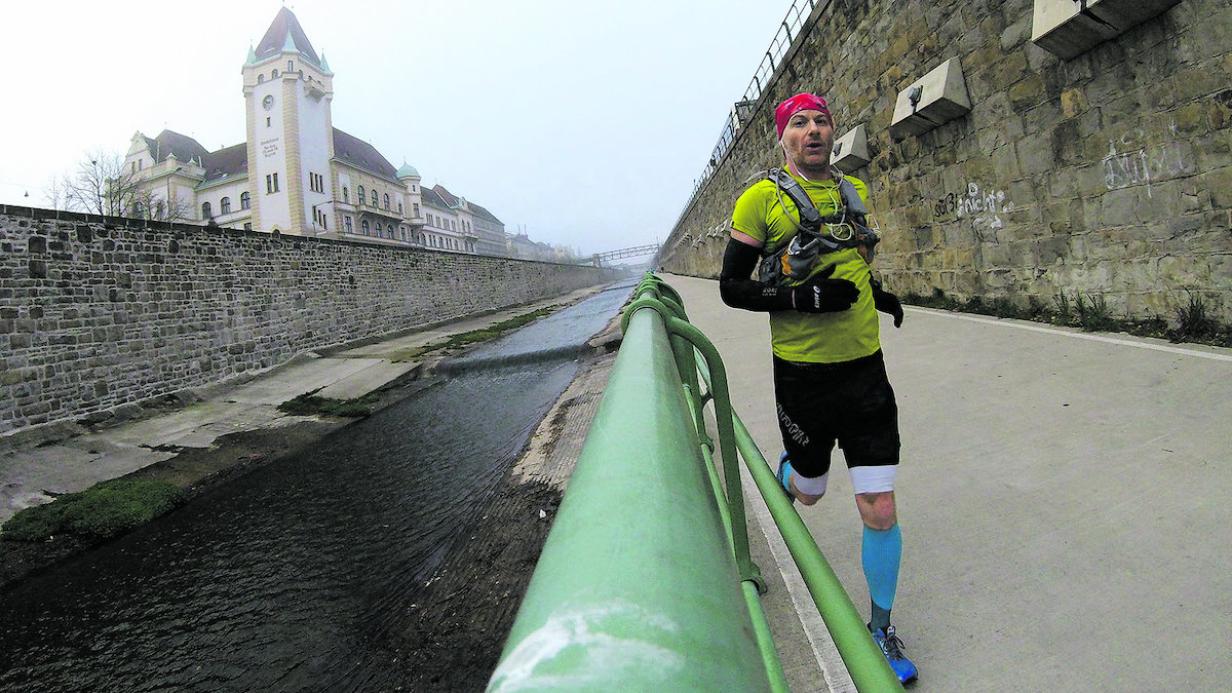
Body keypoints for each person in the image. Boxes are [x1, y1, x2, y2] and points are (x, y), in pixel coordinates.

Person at [717, 92, 916, 684]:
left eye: (821, 121)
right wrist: (800, 298)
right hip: (802, 376)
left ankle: (880, 628)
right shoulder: (761, 200)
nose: (812, 130)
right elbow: (731, 286)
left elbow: (848, 260)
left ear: (833, 131)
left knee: (879, 505)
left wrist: (876, 294)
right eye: (799, 123)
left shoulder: (851, 191)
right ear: (783, 137)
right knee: (810, 492)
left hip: (865, 371)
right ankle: (792, 473)